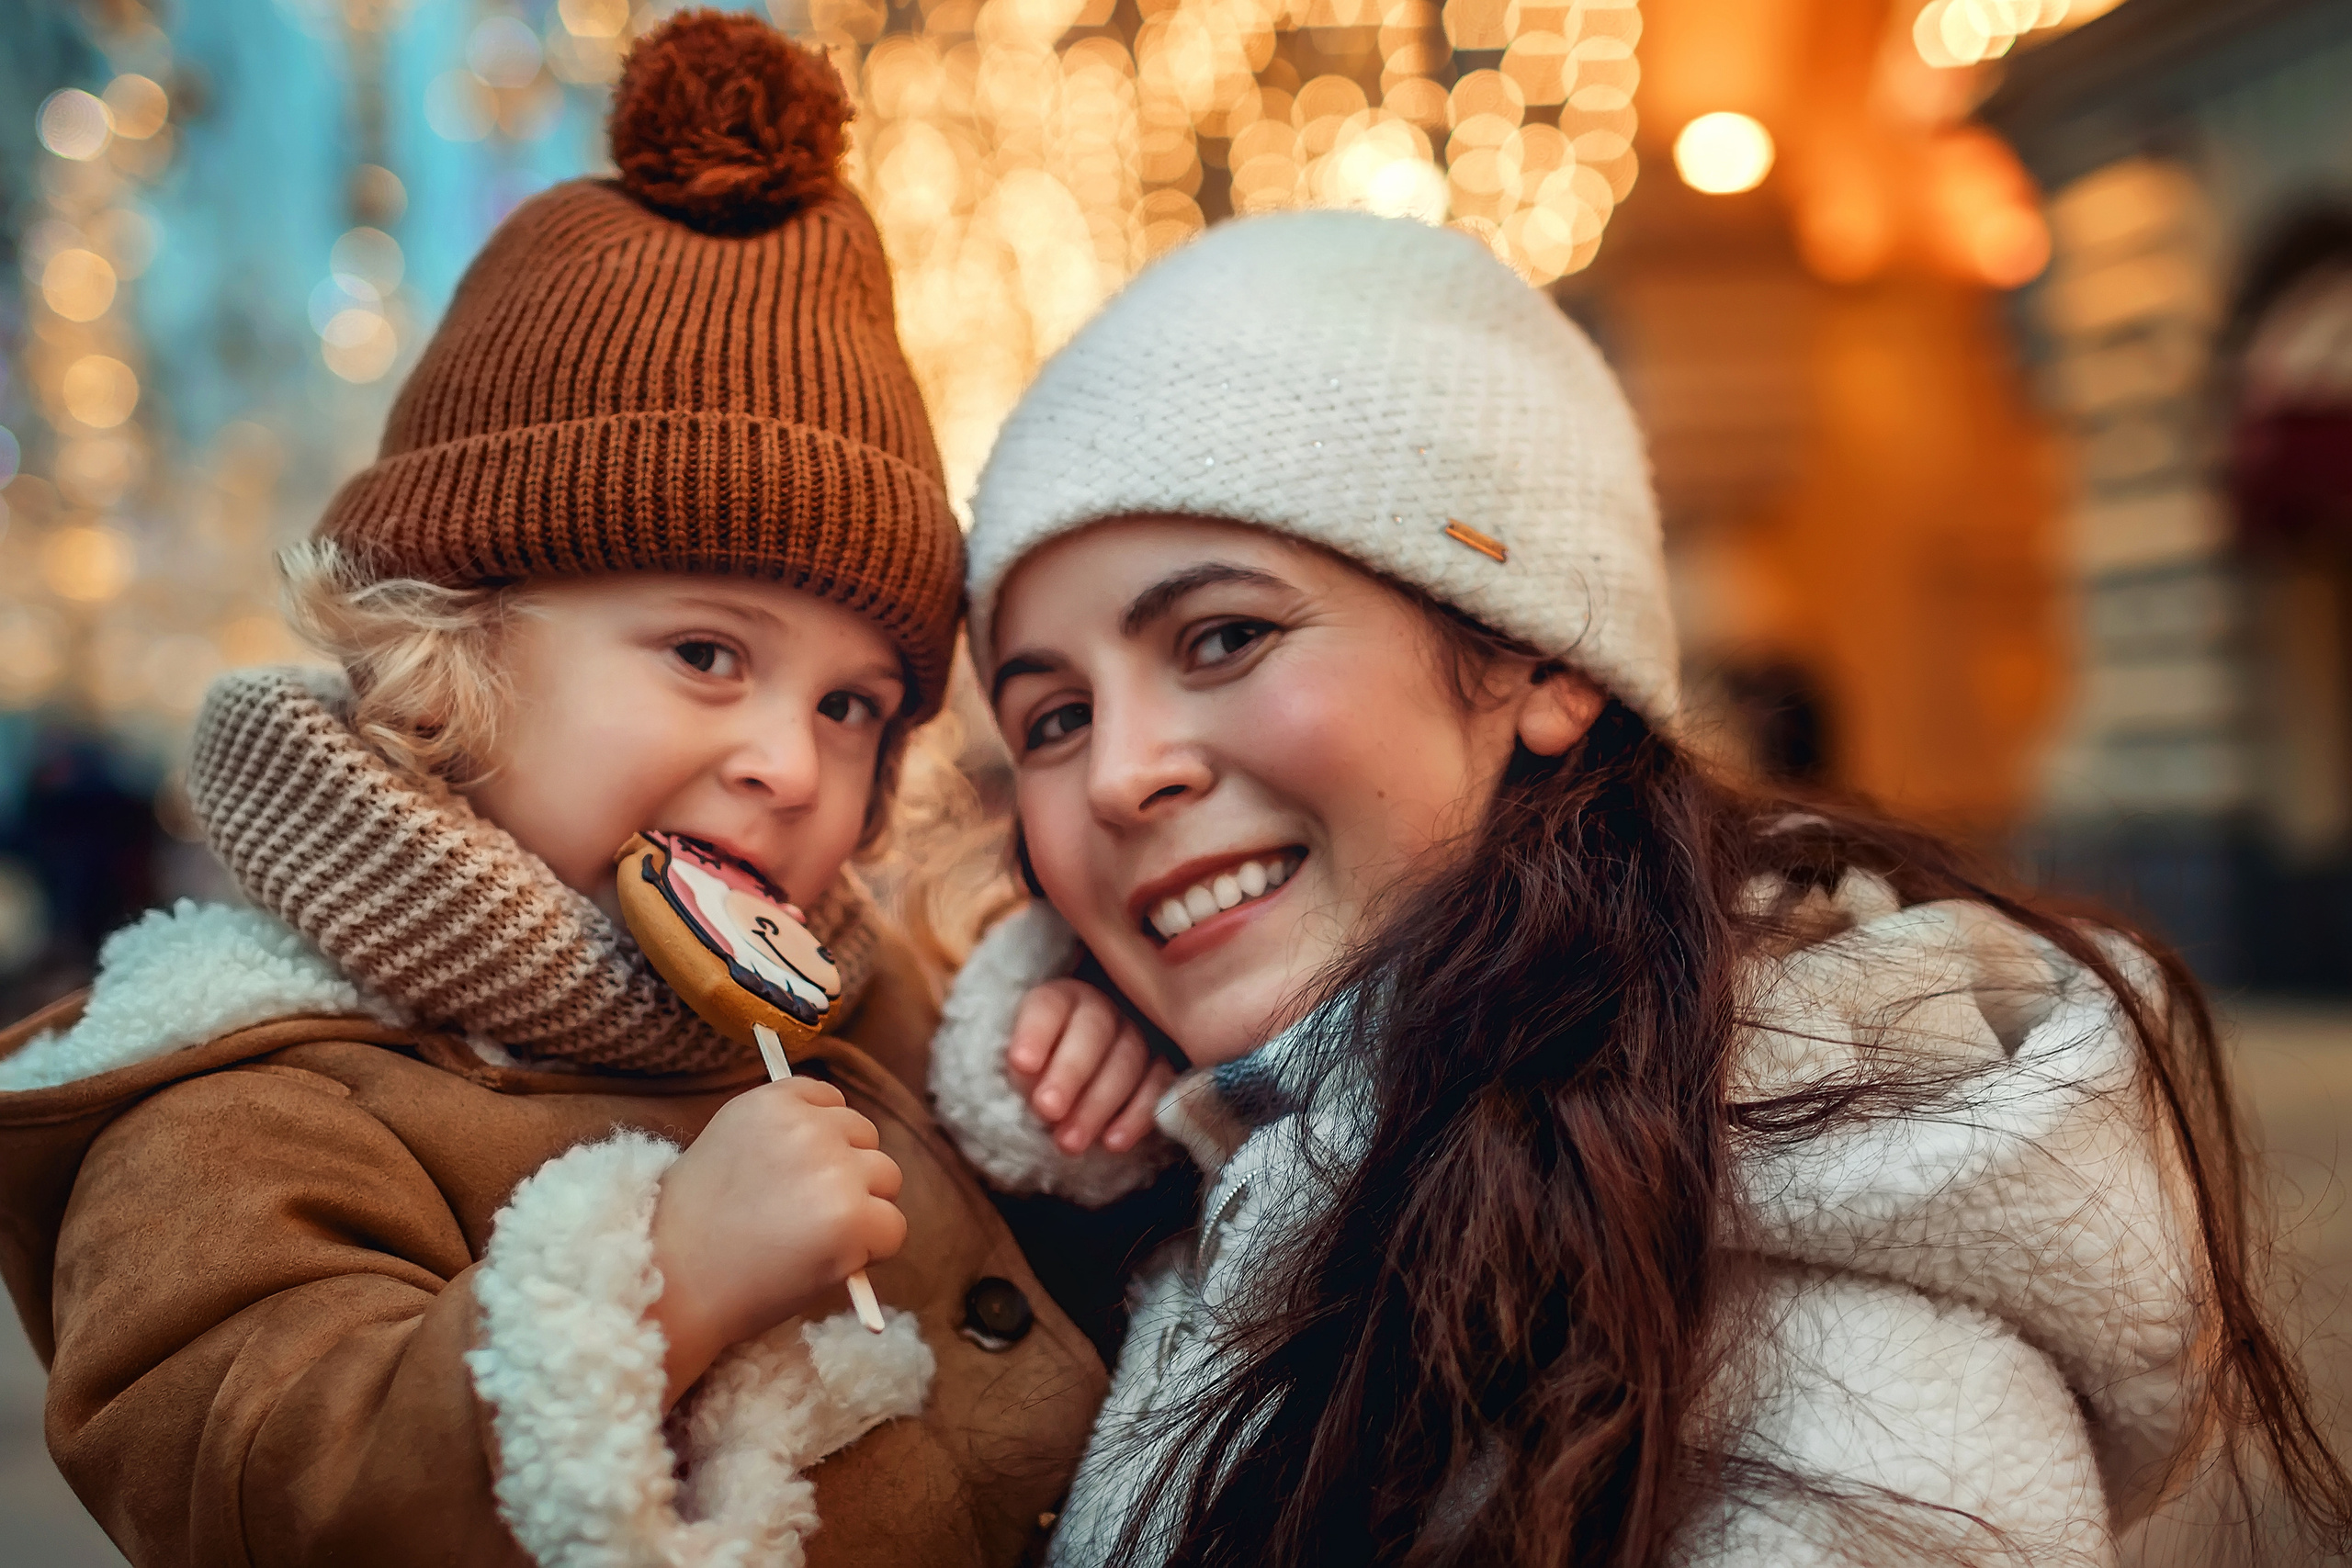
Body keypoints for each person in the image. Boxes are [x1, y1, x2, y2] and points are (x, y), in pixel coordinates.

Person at [924, 209, 2352, 1565]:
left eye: (1223, 635)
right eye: (1051, 717)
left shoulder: (1838, 1344)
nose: (1117, 775)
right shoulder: (1137, 1192)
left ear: (1539, 661)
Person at [0, 15, 1102, 1566]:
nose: (792, 761)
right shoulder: (242, 1099)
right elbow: (247, 1483)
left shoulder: (881, 1014)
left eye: (854, 704)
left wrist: (1060, 1073)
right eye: (708, 654)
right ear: (458, 643)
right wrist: (660, 1287)